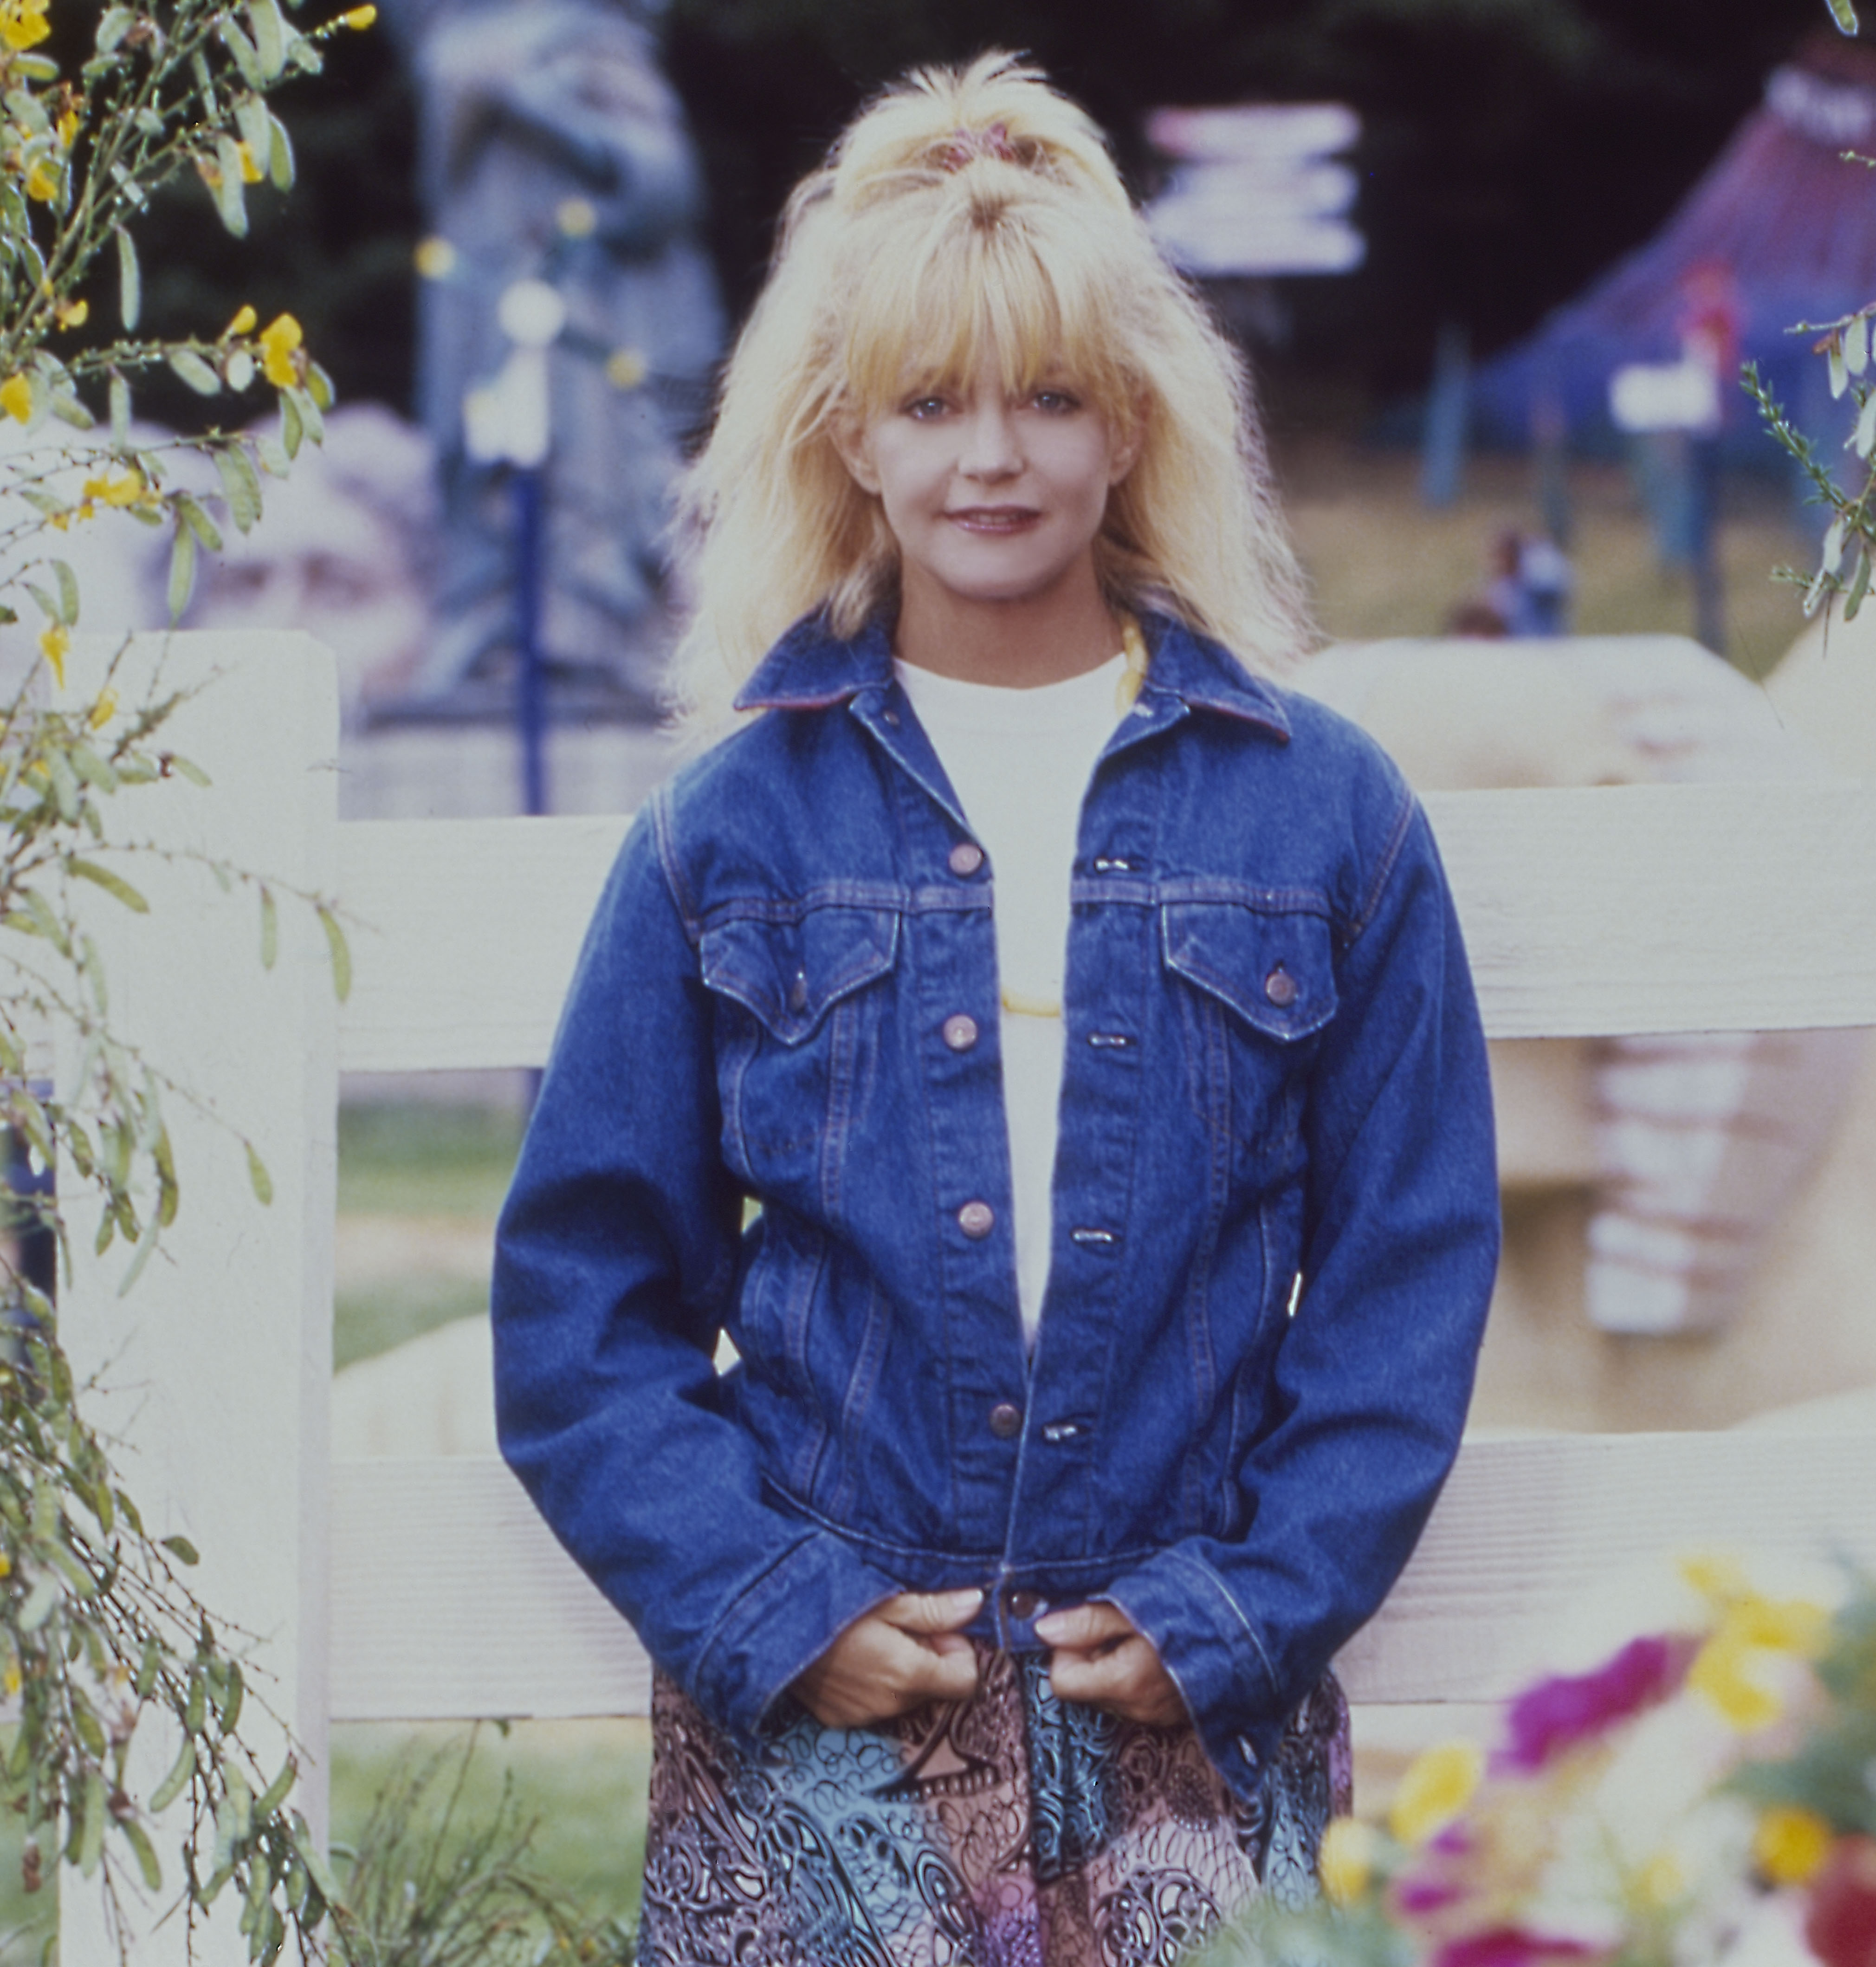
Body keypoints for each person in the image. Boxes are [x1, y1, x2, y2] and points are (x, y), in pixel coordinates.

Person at [490, 52, 1499, 1967]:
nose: (990, 456)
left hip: (1192, 1713)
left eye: (1047, 397)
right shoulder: (730, 827)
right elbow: (579, 1303)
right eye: (931, 401)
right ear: (845, 436)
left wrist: (1245, 1604)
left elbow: (1406, 1269)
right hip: (821, 1730)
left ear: (1129, 427)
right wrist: (771, 1603)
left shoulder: (1324, 812)